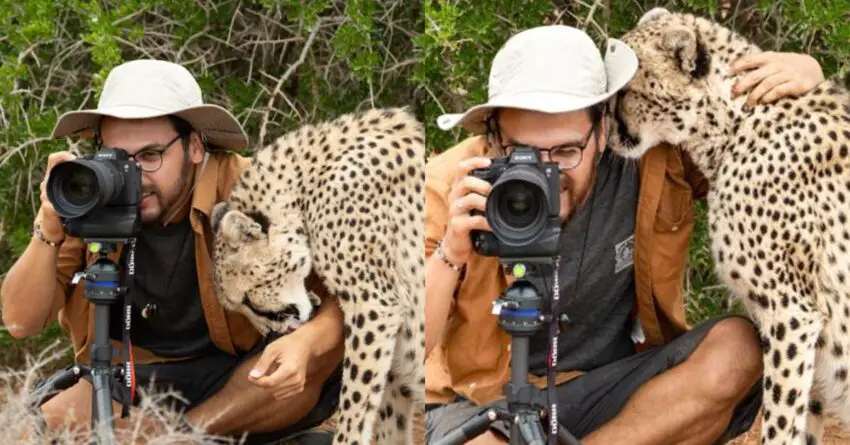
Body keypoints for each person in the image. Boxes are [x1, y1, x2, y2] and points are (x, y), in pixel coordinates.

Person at [424, 24, 826, 445]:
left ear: (601, 132)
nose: (547, 173)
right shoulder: (453, 185)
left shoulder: (651, 162)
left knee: (737, 349)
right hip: (486, 399)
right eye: (522, 153)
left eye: (565, 151)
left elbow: (740, 136)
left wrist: (807, 77)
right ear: (493, 137)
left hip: (608, 388)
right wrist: (451, 253)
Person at [0, 60, 344, 443]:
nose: (134, 174)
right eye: (118, 156)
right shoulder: (91, 195)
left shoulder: (254, 191)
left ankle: (187, 437)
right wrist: (47, 227)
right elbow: (20, 322)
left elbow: (352, 296)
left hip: (240, 379)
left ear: (195, 146)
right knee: (34, 427)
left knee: (308, 356)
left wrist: (308, 342)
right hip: (135, 380)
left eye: (150, 156)